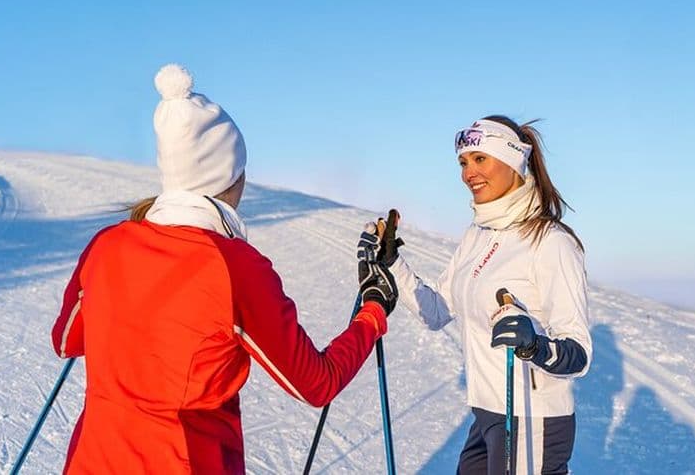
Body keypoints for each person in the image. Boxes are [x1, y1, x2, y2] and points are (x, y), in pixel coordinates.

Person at [51, 64, 398, 474]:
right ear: (229, 177)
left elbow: (67, 342)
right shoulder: (234, 266)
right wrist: (373, 313)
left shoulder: (107, 245)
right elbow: (315, 382)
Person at [359, 116, 591, 474]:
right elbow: (436, 311)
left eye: (480, 159)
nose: (468, 173)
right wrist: (392, 263)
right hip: (487, 413)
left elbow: (579, 353)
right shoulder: (477, 236)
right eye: (464, 162)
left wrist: (535, 346)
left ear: (513, 160)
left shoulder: (550, 242)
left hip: (532, 417)